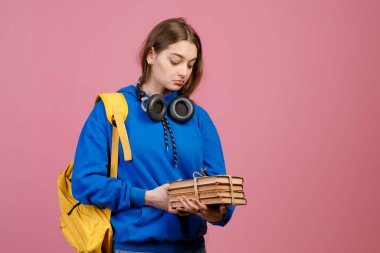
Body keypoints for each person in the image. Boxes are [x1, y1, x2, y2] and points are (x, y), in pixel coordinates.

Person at [72, 17, 235, 253]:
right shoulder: (111, 111)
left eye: (190, 65)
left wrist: (216, 211)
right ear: (151, 55)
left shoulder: (199, 118)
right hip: (133, 249)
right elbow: (84, 182)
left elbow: (220, 188)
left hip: (192, 248)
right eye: (175, 61)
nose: (183, 72)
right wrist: (148, 197)